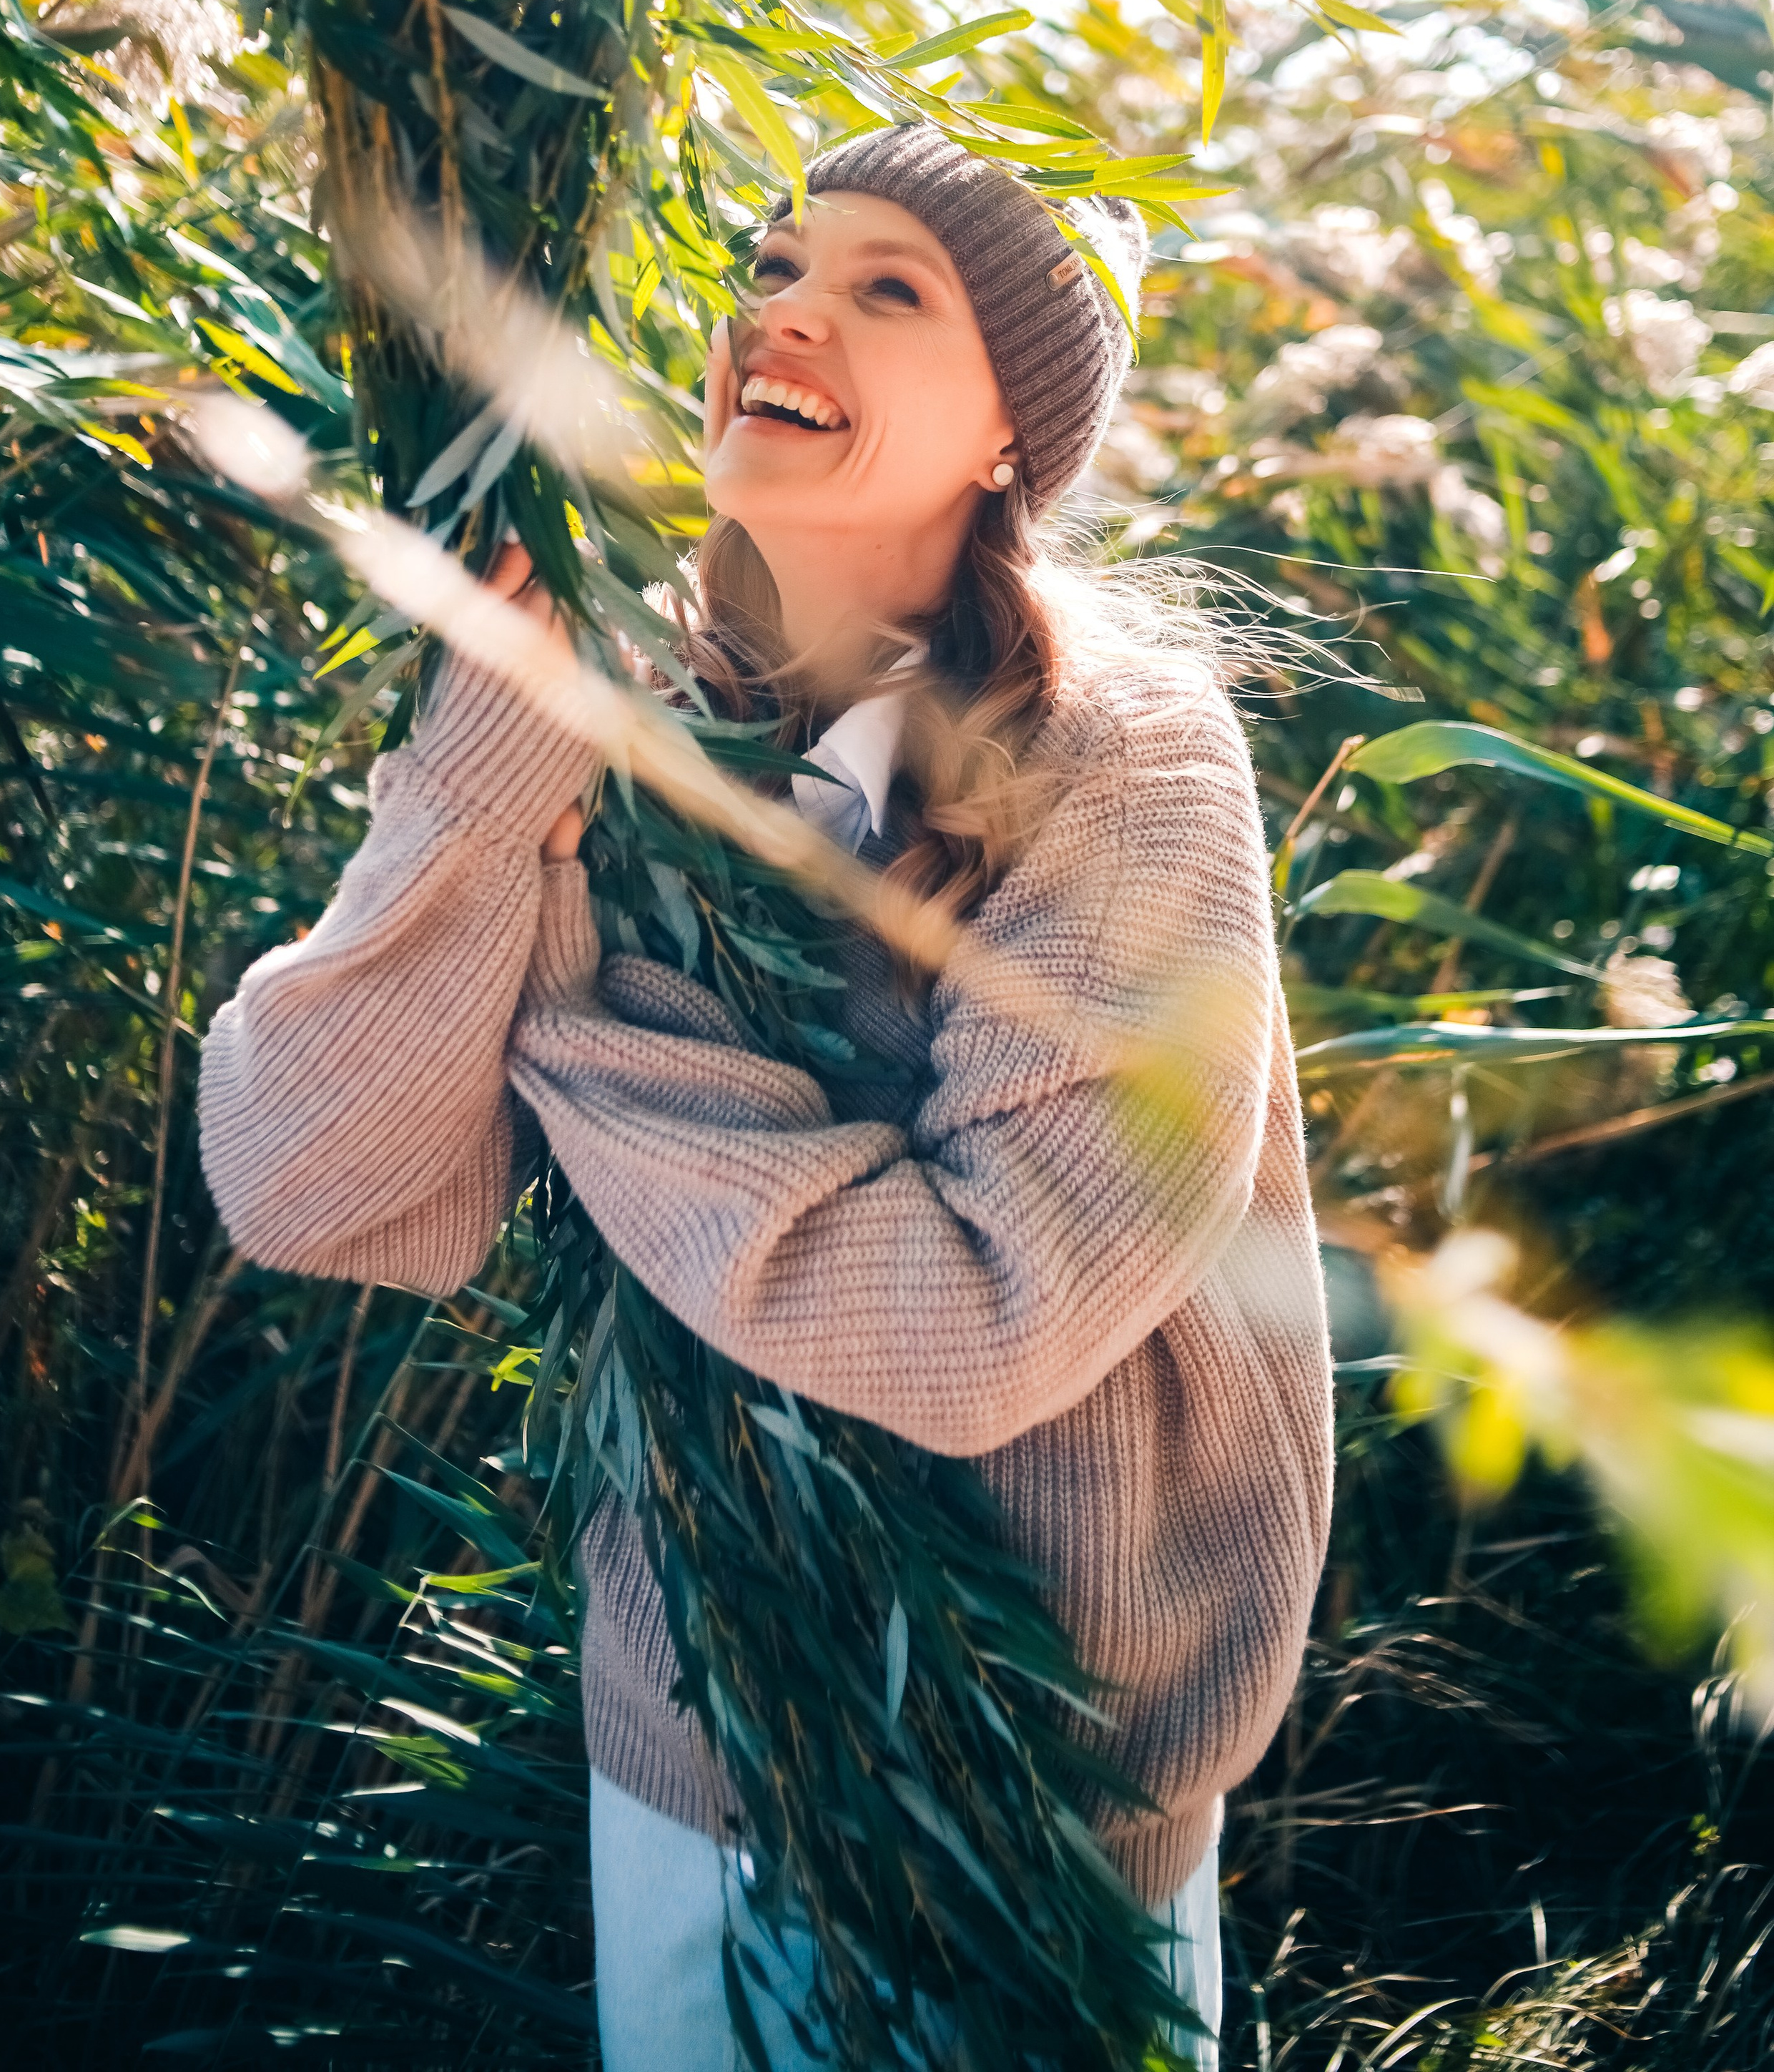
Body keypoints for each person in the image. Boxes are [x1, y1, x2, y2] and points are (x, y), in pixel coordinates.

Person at [199, 122, 1334, 2070]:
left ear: (1007, 443)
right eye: (774, 265)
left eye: (889, 290)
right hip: (696, 1725)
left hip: (1045, 1780)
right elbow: (306, 1186)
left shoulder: (1123, 755)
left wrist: (566, 1017)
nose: (785, 308)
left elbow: (991, 1317)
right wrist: (479, 797)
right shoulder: (596, 710)